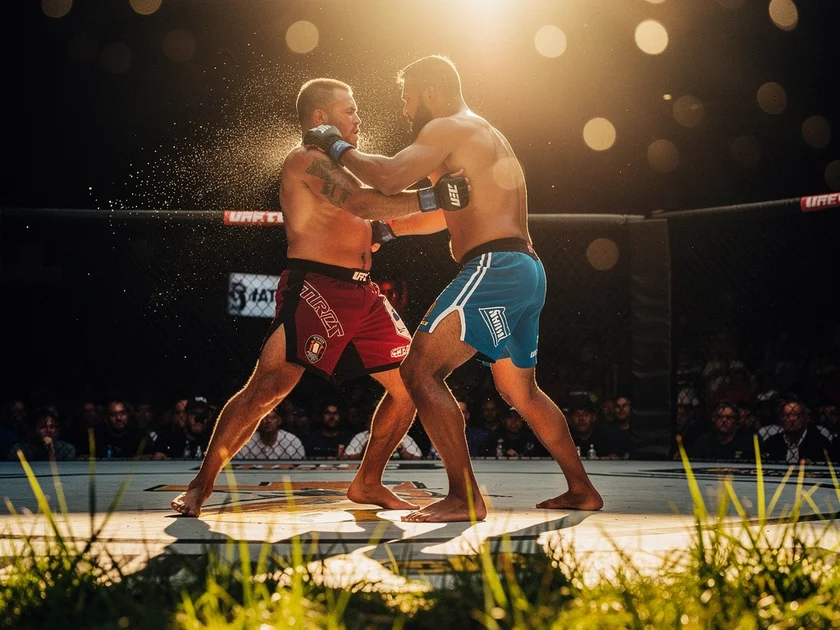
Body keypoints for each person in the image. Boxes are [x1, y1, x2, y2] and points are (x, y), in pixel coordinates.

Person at [304, 55, 602, 521]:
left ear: (428, 92)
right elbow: (449, 212)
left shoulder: (447, 128)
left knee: (418, 370)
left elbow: (387, 177)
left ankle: (464, 497)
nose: (404, 112)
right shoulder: (480, 133)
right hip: (525, 269)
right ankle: (581, 488)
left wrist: (336, 146)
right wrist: (390, 231)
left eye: (406, 99)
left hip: (495, 267)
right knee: (521, 393)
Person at [171, 77, 468, 516]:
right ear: (320, 117)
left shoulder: (349, 170)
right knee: (269, 387)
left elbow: (402, 217)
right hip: (316, 286)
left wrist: (458, 203)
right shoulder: (304, 161)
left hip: (363, 293)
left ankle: (368, 481)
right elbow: (368, 205)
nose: (358, 117)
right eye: (349, 110)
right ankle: (201, 485)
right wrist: (430, 196)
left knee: (409, 386)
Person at [234, 405, 305, 460]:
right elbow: (239, 466)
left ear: (279, 421)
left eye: (273, 417)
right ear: (258, 422)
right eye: (264, 417)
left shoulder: (292, 441)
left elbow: (300, 467)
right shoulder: (247, 441)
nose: (268, 421)